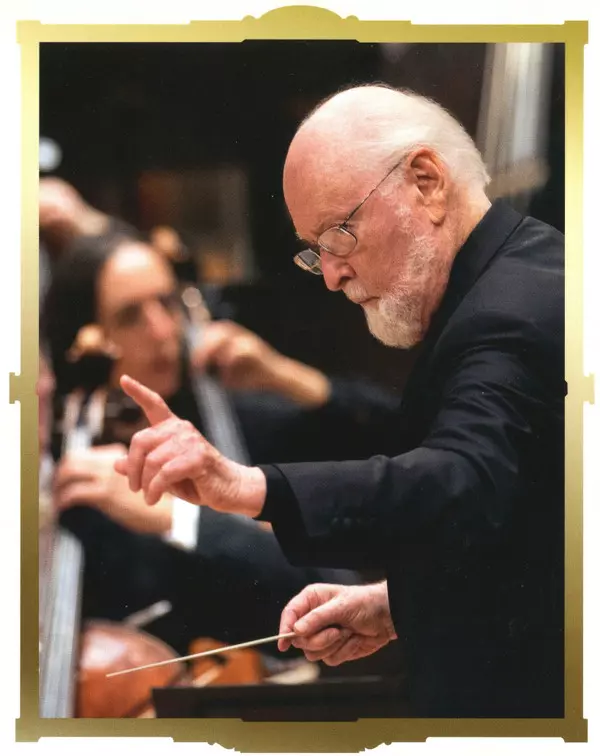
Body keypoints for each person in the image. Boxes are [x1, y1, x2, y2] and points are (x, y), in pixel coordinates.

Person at [112, 84, 565, 718]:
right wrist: (397, 605)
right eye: (315, 249)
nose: (330, 274)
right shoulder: (507, 280)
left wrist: (245, 486)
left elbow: (464, 484)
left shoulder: (510, 312)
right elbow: (538, 533)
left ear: (427, 183)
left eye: (339, 234)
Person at [41, 230, 363, 656]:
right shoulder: (68, 472)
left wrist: (177, 518)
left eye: (167, 303)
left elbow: (334, 589)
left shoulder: (232, 420)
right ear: (84, 342)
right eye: (131, 316)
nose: (163, 330)